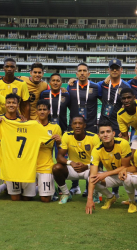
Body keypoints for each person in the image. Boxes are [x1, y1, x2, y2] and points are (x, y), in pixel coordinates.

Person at [66, 63, 101, 196]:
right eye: (79, 71)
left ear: (88, 74)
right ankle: (75, 186)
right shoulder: (70, 87)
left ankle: (88, 186)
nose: (82, 73)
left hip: (91, 125)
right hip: (74, 126)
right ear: (76, 74)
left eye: (84, 71)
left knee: (91, 157)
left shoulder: (95, 87)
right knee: (73, 155)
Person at [85, 121, 132, 214]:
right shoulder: (96, 149)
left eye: (108, 131)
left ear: (113, 133)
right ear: (99, 135)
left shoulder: (123, 143)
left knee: (129, 177)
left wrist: (106, 173)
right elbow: (93, 175)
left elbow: (125, 166)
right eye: (102, 132)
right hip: (113, 176)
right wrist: (89, 199)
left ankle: (133, 200)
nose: (105, 135)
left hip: (128, 174)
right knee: (92, 178)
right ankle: (110, 197)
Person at [52, 116, 101, 204]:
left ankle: (95, 194)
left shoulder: (93, 137)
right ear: (71, 125)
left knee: (97, 170)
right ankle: (66, 194)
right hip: (73, 168)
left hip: (89, 168)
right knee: (56, 168)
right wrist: (71, 163)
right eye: (75, 123)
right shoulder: (67, 135)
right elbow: (59, 157)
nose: (77, 126)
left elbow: (99, 160)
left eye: (80, 123)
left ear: (84, 125)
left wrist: (87, 166)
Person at [34, 100, 62, 202]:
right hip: (30, 165)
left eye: (44, 109)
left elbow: (61, 149)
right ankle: (38, 188)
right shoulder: (30, 126)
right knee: (25, 197)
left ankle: (48, 190)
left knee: (45, 199)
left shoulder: (55, 127)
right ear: (36, 112)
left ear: (49, 111)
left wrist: (58, 142)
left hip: (45, 165)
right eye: (40, 109)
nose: (42, 112)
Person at [98, 59, 131, 136]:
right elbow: (89, 84)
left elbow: (129, 109)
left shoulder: (126, 86)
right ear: (108, 70)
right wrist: (73, 81)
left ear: (121, 70)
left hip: (118, 125)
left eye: (117, 68)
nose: (115, 70)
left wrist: (125, 128)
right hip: (103, 124)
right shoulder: (102, 84)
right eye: (112, 68)